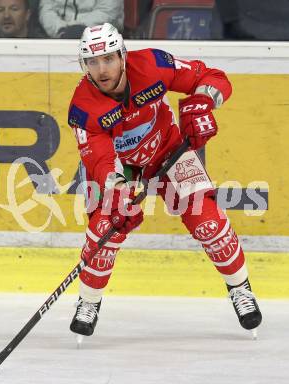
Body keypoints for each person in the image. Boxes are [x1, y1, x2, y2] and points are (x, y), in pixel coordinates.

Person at [67, 23, 262, 339]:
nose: (101, 69)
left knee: (207, 221)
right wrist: (117, 190)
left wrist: (203, 103)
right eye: (92, 61)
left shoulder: (153, 65)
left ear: (123, 56)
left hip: (168, 149)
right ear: (84, 65)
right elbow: (100, 161)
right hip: (122, 169)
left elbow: (212, 78)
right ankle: (88, 302)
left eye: (108, 59)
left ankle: (240, 288)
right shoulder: (83, 106)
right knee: (105, 230)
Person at [38, 0, 124, 38]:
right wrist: (60, 30)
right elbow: (46, 10)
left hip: (102, 39)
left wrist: (80, 30)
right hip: (59, 36)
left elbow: (107, 12)